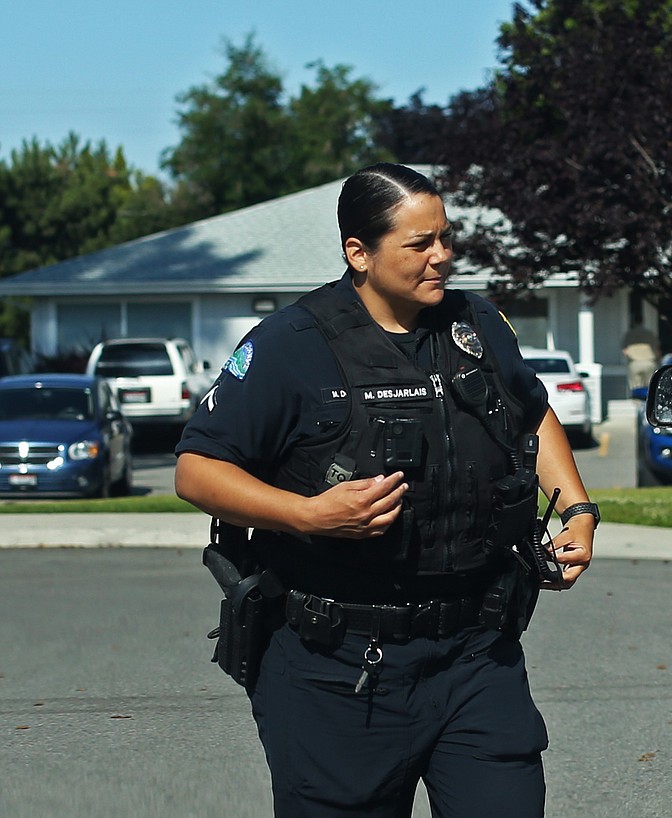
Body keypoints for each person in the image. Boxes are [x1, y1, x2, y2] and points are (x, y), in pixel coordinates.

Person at [174, 163, 597, 818]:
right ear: (359, 253)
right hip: (338, 666)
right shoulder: (293, 345)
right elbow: (198, 470)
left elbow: (531, 411)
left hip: (476, 652)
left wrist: (577, 508)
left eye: (446, 238)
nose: (442, 257)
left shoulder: (476, 327)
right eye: (420, 244)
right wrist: (309, 515)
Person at [621, 319, 660, 392]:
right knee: (650, 386)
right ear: (643, 322)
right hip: (649, 362)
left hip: (635, 363)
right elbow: (657, 350)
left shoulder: (629, 334)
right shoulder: (650, 334)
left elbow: (625, 351)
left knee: (635, 387)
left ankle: (637, 402)